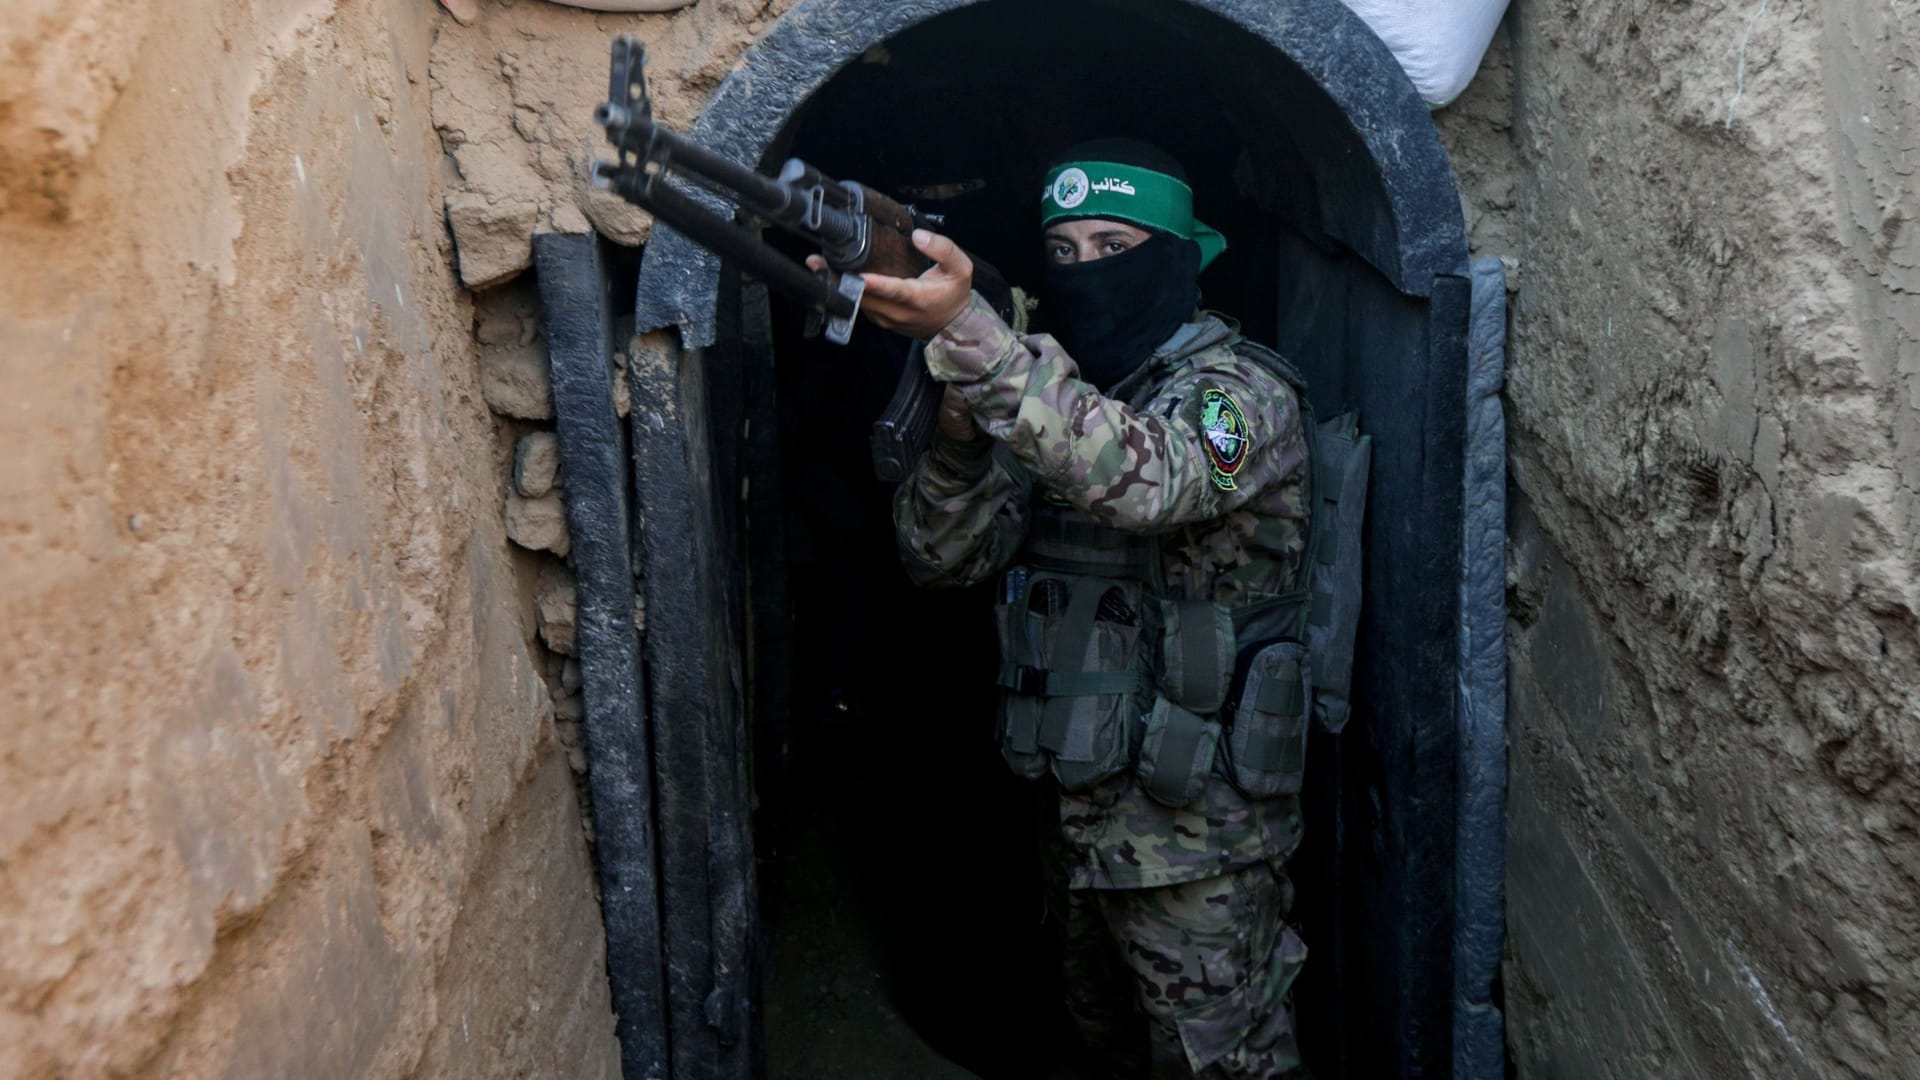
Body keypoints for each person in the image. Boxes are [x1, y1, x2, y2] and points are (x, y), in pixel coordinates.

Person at [839, 139, 1313, 1079]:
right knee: (1101, 1044)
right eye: (1066, 253)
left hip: (1200, 845)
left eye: (1115, 244)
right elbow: (941, 558)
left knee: (1222, 1066)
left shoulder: (1236, 395)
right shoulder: (1051, 397)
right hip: (1075, 816)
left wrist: (978, 343)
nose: (1088, 272)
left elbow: (1152, 483)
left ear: (1182, 254)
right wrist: (966, 441)